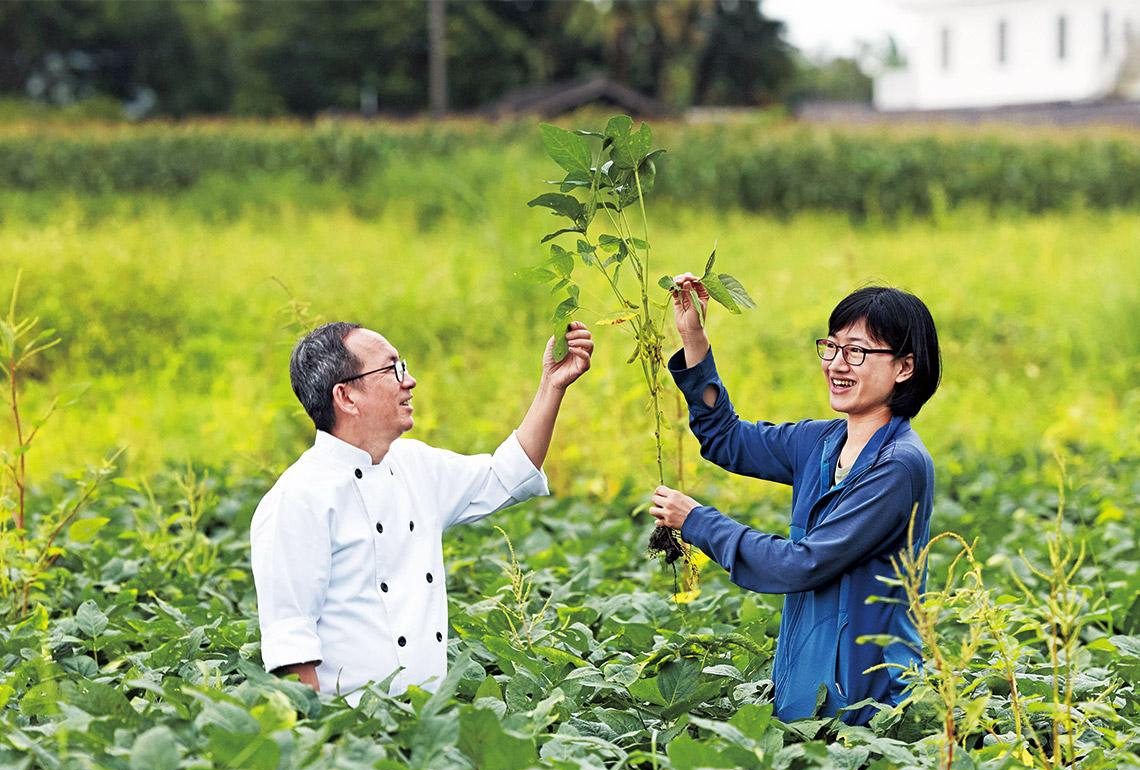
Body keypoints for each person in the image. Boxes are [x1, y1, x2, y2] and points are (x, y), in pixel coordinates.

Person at [251, 320, 593, 703]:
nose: (409, 381)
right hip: (349, 731)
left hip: (428, 718)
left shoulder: (416, 465)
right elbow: (291, 645)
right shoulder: (297, 498)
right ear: (346, 397)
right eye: (392, 369)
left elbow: (505, 475)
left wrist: (552, 385)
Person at [650, 280, 941, 725]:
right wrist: (693, 339)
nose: (837, 364)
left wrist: (698, 522)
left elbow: (801, 564)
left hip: (866, 710)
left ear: (904, 367)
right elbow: (726, 439)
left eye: (857, 352)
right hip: (803, 696)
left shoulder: (898, 466)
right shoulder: (820, 441)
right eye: (832, 348)